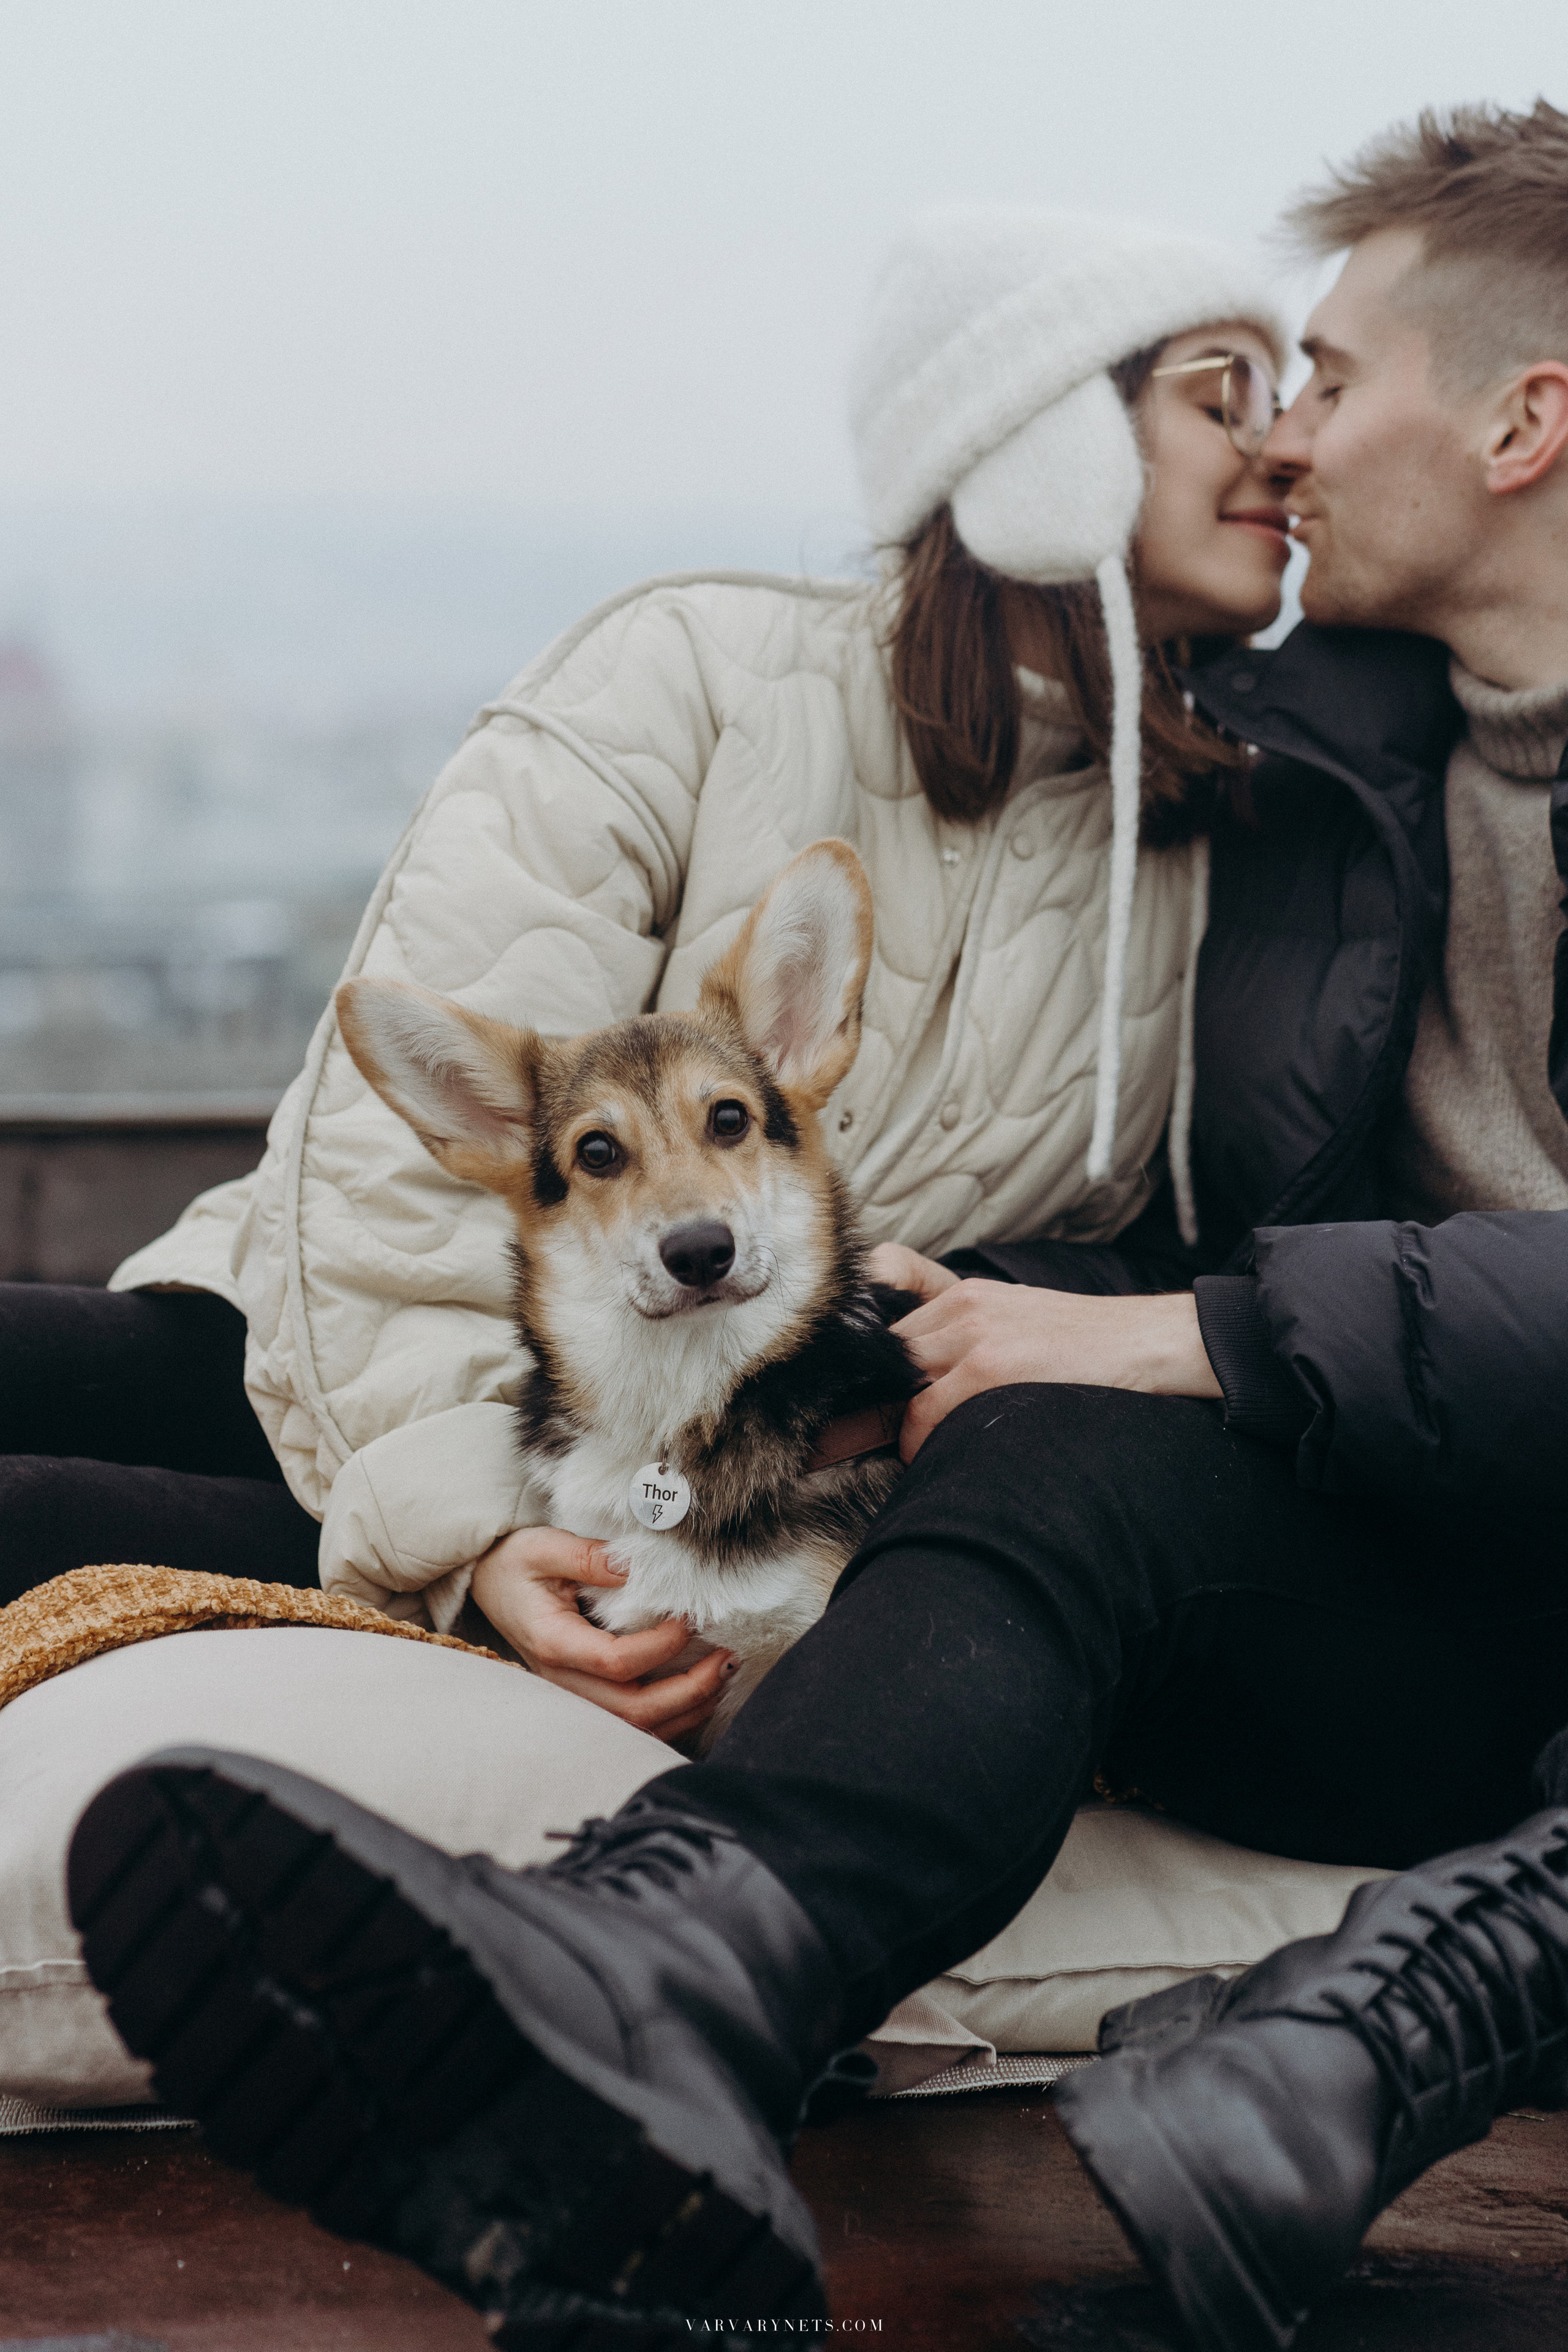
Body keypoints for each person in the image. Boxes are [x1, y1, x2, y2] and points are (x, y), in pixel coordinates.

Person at [91, 122, 1568, 2344]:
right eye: (1233, 389)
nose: (1285, 441)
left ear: (1523, 421)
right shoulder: (1311, 758)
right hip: (1284, 1495)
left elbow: (1189, 1266)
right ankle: (647, 1995)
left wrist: (1206, 1336)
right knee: (1015, 1412)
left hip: (1494, 1587)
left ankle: (650, 1970)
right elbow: (437, 1145)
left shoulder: (1256, 773)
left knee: (1071, 1414)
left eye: (1321, 378)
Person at [1, 204, 1290, 1738]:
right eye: (1225, 397)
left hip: (720, 1471)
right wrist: (471, 1526)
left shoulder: (1213, 839)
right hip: (350, 1362)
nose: (1283, 453)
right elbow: (384, 1171)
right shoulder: (688, 674)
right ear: (1041, 430)